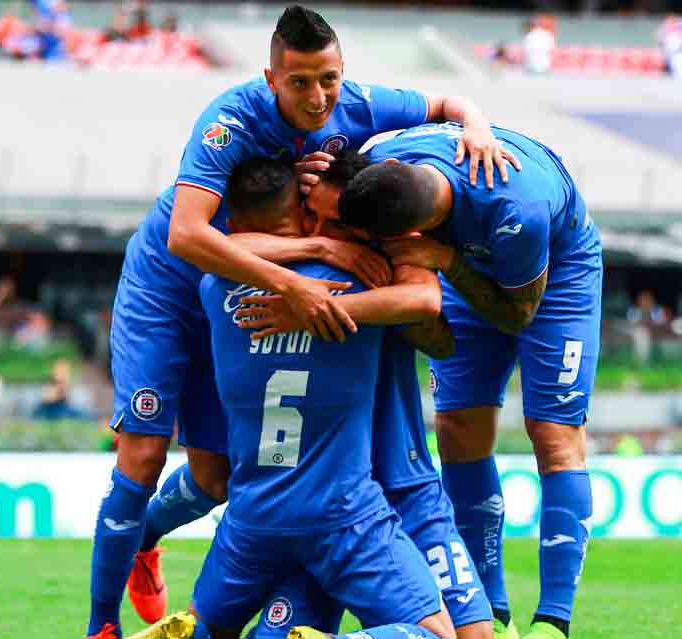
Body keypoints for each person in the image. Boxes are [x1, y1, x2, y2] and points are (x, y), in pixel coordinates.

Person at [90, 5, 519, 637]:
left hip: (255, 286)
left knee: (213, 477)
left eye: (329, 80)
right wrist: (308, 267)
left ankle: (148, 537)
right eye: (299, 83)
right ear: (270, 78)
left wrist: (478, 126)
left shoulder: (364, 111)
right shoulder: (231, 119)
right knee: (145, 452)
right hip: (175, 280)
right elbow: (188, 235)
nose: (318, 98)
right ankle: (101, 625)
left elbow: (451, 102)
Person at [247, 121, 602, 639]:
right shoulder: (383, 157)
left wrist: (449, 261)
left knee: (553, 434)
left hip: (553, 271)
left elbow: (516, 314)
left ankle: (553, 621)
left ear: (413, 231)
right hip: (460, 263)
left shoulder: (516, 214)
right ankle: (492, 609)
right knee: (458, 429)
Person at [224, 155, 493, 639]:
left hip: (401, 481)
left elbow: (438, 333)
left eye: (337, 223)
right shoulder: (298, 268)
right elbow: (210, 245)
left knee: (474, 634)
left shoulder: (390, 260)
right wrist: (322, 251)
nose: (323, 230)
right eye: (315, 215)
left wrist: (334, 307)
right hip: (330, 498)